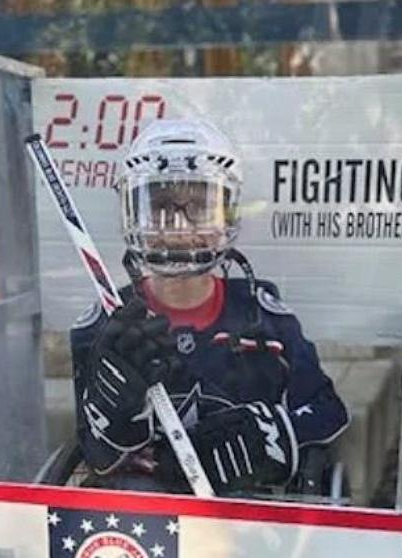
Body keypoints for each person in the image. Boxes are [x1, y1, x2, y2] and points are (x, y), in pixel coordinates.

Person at [69, 119, 349, 496]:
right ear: (131, 210)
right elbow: (96, 454)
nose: (181, 230)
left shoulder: (266, 320)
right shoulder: (106, 327)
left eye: (199, 207)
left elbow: (328, 410)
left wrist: (270, 437)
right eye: (161, 207)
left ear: (227, 212)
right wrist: (116, 419)